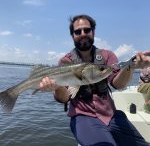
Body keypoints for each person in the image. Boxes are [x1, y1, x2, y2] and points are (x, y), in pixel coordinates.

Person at [39, 14, 150, 146]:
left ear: (93, 31)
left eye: (87, 30)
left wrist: (130, 67)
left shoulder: (107, 55)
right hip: (82, 117)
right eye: (77, 31)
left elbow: (118, 84)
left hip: (112, 116)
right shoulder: (65, 61)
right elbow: (64, 98)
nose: (82, 33)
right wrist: (56, 87)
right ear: (72, 35)